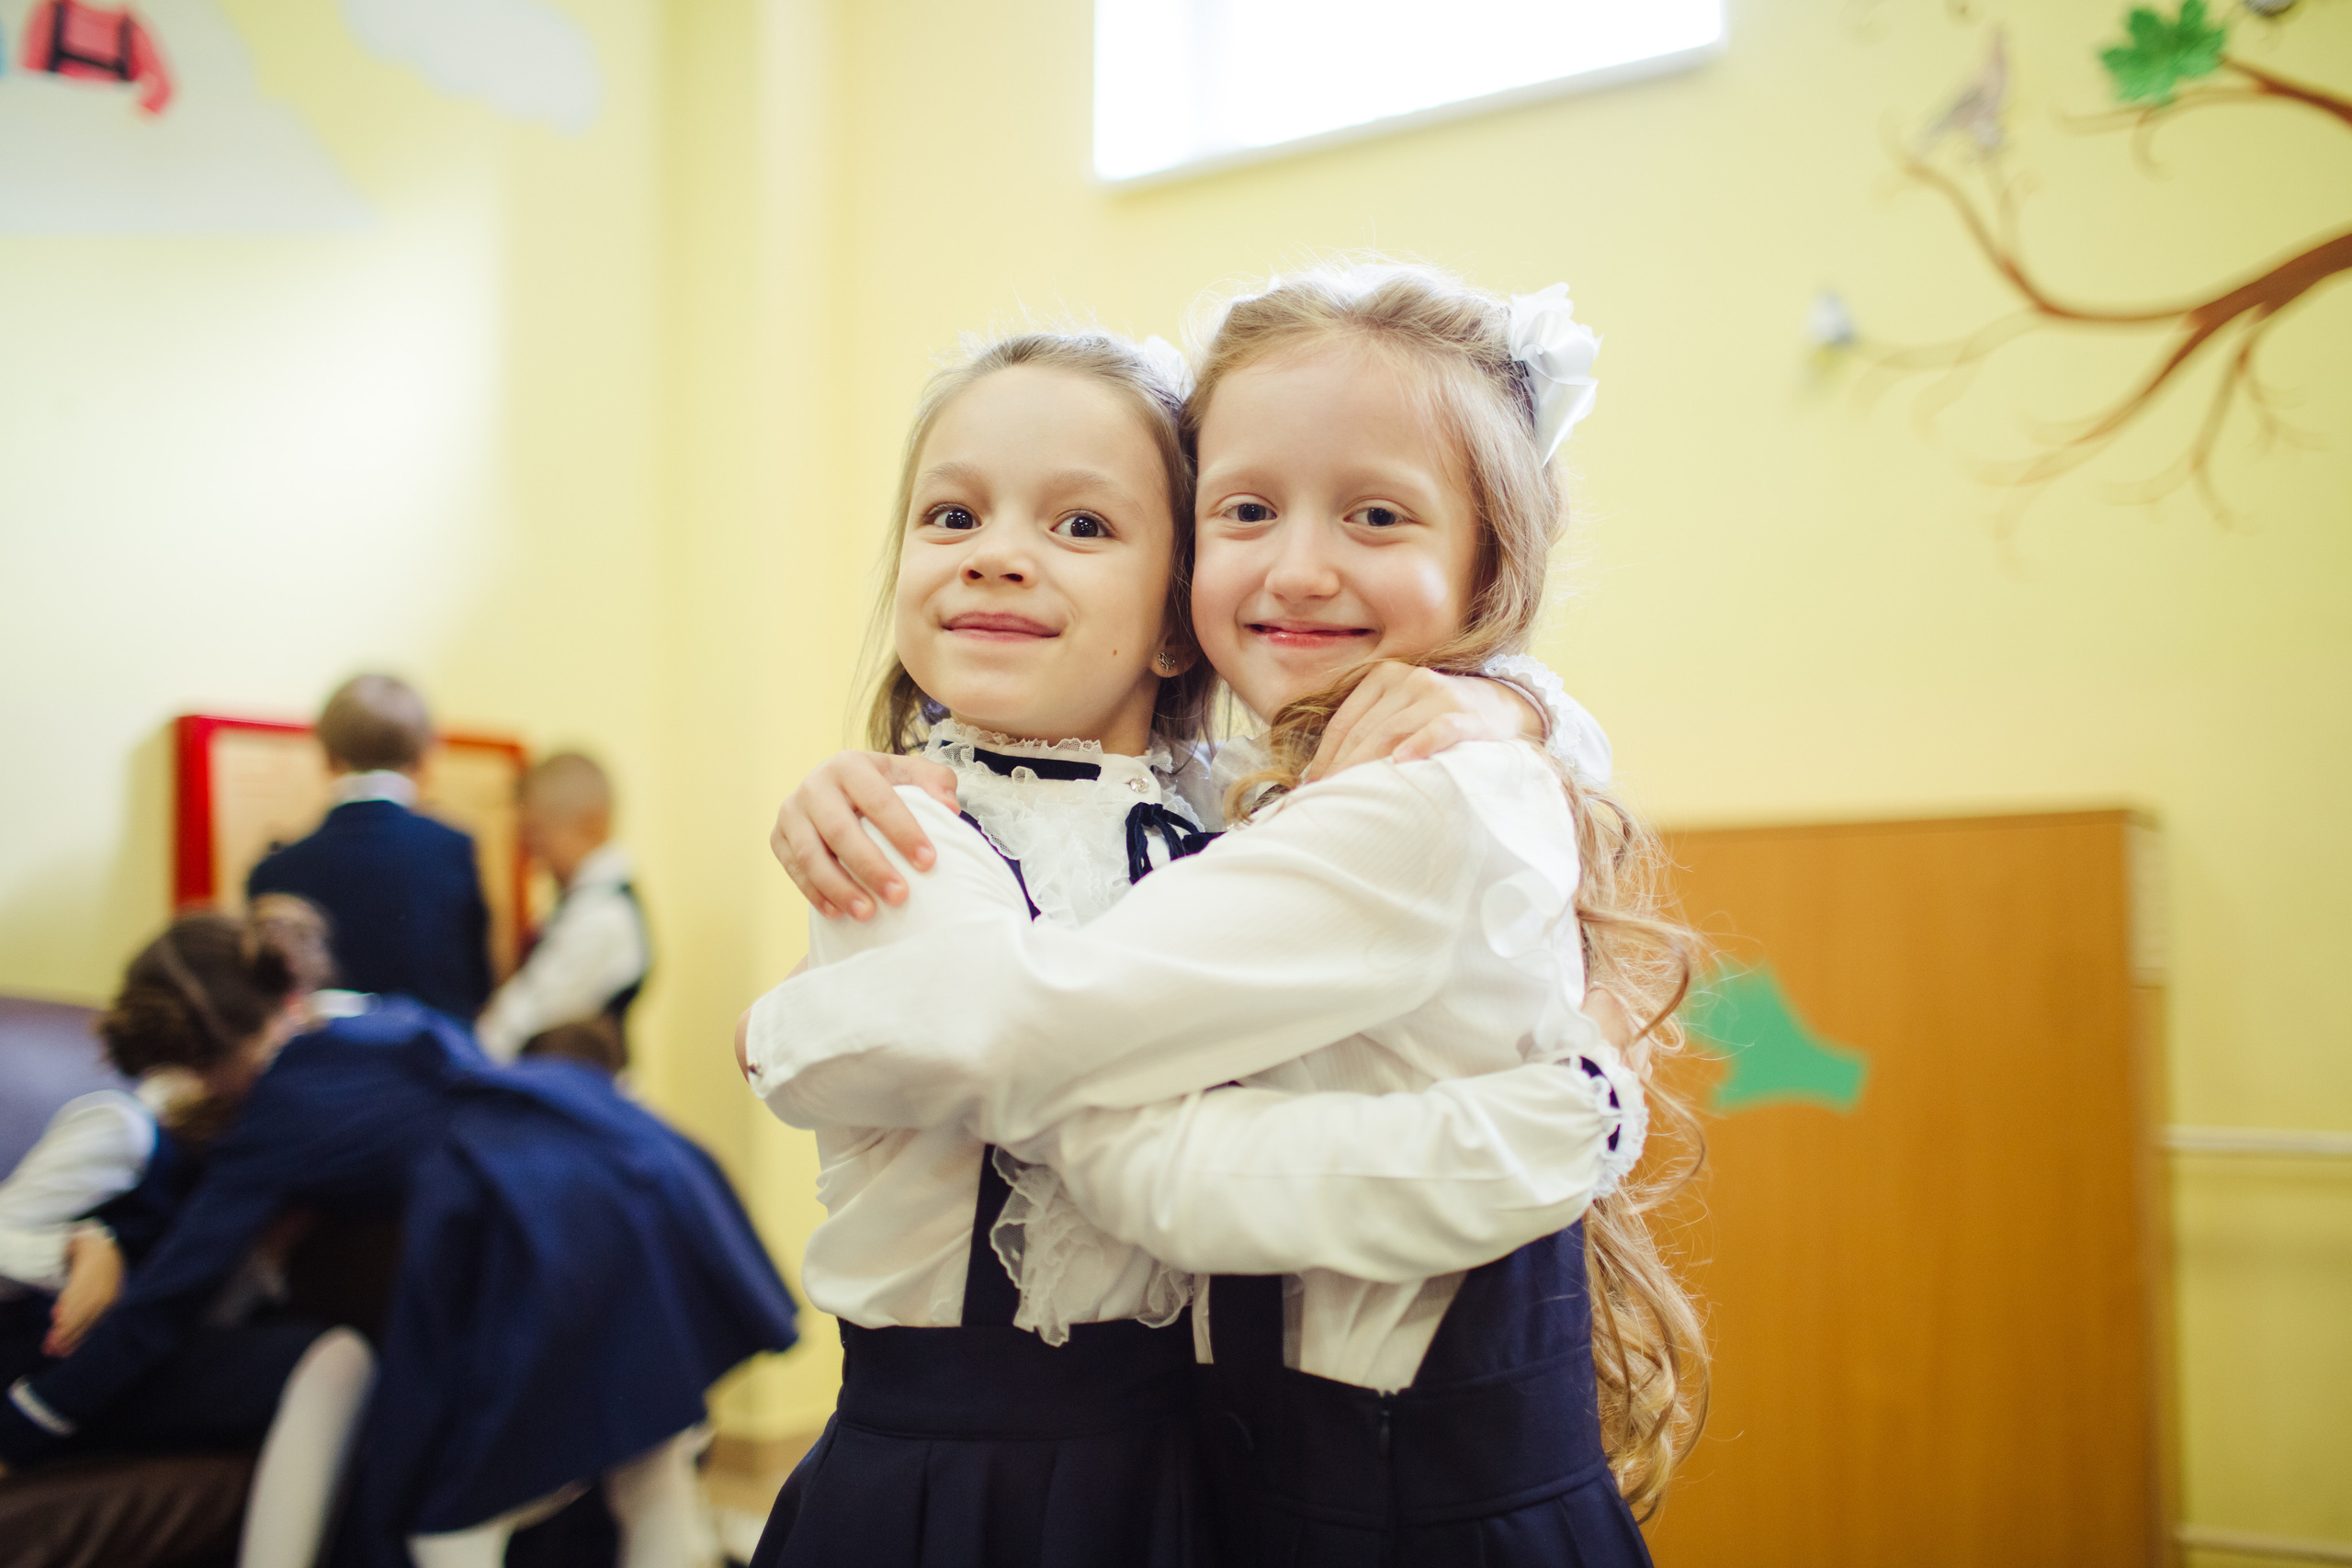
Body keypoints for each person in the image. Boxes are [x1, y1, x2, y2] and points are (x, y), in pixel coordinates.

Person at [745, 264, 1708, 1563]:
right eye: (952, 513)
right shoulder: (917, 824)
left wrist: (1512, 701)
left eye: (1084, 525)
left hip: (1246, 1471)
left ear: (1172, 618)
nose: (1000, 552)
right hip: (987, 1482)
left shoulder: (1294, 801)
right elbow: (1014, 1040)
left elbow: (1027, 1046)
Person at [0, 913, 796, 1568]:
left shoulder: (278, 1110)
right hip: (621, 1150)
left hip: (531, 1214)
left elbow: (169, 1296)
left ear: (200, 1058)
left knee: (450, 1521)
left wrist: (33, 1418)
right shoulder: (371, 1019)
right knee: (650, 1478)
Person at [248, 674, 493, 1021]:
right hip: (435, 1051)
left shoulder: (274, 872)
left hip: (322, 1054)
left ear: (327, 757)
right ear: (423, 758)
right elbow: (478, 986)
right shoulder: (454, 850)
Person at [476, 751, 650, 1065]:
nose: (533, 855)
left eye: (539, 834)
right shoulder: (583, 904)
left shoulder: (603, 918)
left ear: (592, 824)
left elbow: (524, 1021)